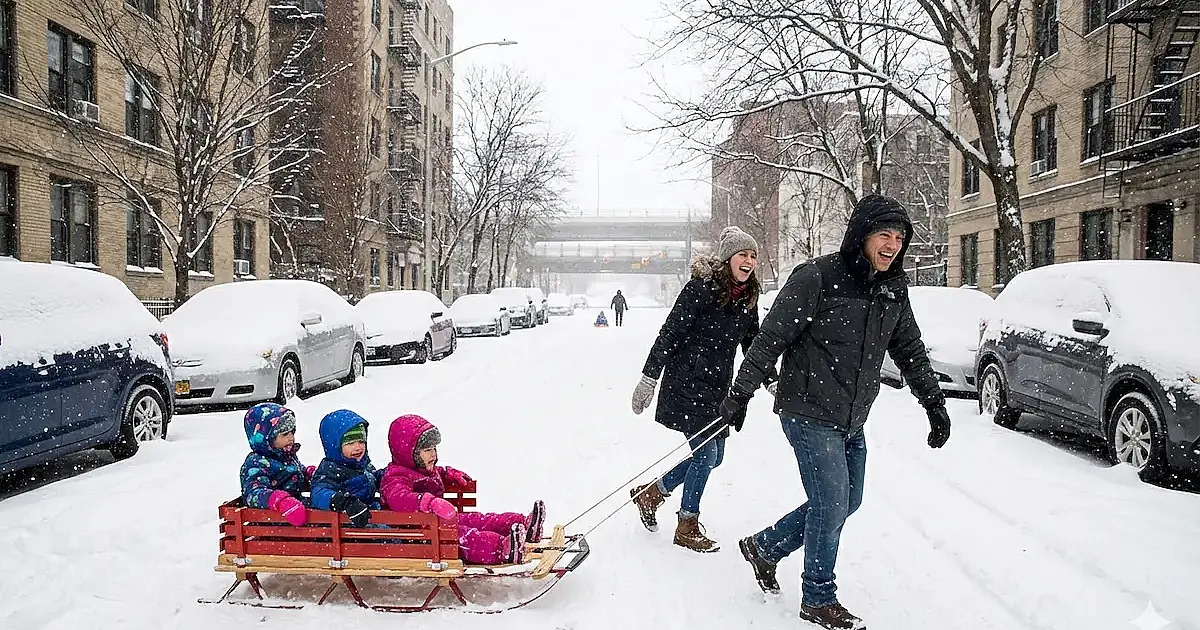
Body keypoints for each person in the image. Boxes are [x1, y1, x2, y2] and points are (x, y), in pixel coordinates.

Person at [719, 195, 952, 630]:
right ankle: (818, 597)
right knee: (830, 503)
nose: (893, 245)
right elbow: (769, 340)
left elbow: (910, 350)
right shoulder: (817, 277)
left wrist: (934, 404)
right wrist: (740, 393)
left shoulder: (892, 288)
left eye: (900, 237)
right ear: (862, 235)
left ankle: (764, 548)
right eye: (884, 235)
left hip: (851, 416)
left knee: (848, 501)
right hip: (807, 411)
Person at [628, 226, 776, 553]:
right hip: (686, 383)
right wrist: (649, 377)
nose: (749, 261)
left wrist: (771, 379)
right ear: (728, 258)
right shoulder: (700, 289)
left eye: (753, 255)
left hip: (718, 389)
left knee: (714, 458)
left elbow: (753, 343)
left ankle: (651, 494)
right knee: (706, 454)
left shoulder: (748, 297)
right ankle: (687, 524)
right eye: (743, 254)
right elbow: (670, 333)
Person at [379, 414, 547, 565]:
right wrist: (428, 503)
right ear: (408, 453)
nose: (434, 454)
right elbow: (399, 498)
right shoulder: (394, 477)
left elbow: (435, 475)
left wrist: (449, 474)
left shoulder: (421, 469)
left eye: (434, 448)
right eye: (427, 450)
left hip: (436, 524)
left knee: (479, 520)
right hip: (419, 536)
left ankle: (524, 524)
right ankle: (502, 549)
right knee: (464, 536)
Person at [310, 409, 384, 528]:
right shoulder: (330, 470)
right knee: (390, 534)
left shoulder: (363, 465)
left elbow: (372, 479)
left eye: (361, 441)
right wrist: (344, 501)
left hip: (369, 517)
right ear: (335, 446)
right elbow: (319, 493)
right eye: (350, 443)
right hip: (348, 524)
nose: (358, 447)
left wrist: (387, 475)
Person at [240, 402, 311, 527]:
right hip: (273, 521)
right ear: (267, 438)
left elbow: (298, 476)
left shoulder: (286, 455)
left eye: (292, 432)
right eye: (284, 434)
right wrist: (279, 500)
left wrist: (312, 476)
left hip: (294, 510)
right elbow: (254, 493)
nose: (291, 438)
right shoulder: (256, 463)